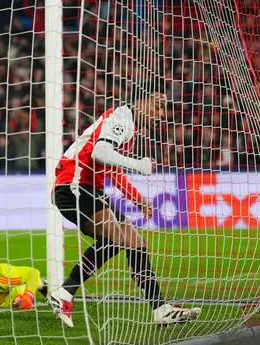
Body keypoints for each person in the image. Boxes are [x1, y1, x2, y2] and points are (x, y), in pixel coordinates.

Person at [47, 82, 201, 327]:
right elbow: (100, 153)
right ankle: (64, 293)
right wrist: (139, 164)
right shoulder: (121, 118)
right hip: (73, 185)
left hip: (91, 190)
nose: (161, 115)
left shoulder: (129, 126)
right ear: (141, 101)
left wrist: (137, 198)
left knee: (135, 242)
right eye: (158, 106)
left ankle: (160, 308)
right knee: (117, 237)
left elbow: (111, 168)